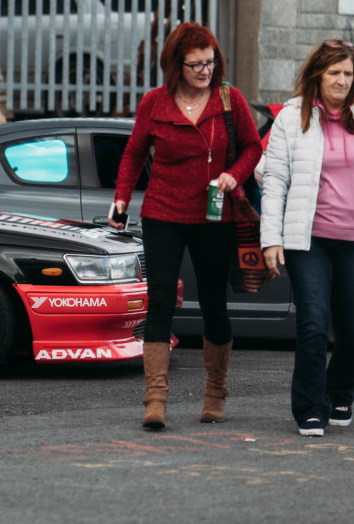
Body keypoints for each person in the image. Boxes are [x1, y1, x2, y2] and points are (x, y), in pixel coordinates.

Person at [111, 22, 262, 430]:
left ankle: (215, 391)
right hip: (163, 213)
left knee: (214, 303)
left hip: (214, 217)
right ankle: (155, 399)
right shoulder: (154, 103)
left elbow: (252, 146)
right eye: (196, 65)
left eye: (210, 63)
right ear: (176, 65)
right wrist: (122, 197)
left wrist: (234, 174)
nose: (205, 71)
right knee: (159, 300)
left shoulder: (230, 100)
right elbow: (133, 154)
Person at [260, 40, 354, 437]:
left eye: (348, 74)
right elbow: (275, 180)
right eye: (334, 72)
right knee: (313, 324)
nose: (342, 80)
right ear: (318, 74)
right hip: (309, 240)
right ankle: (309, 405)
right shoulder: (292, 117)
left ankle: (341, 391)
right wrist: (271, 238)